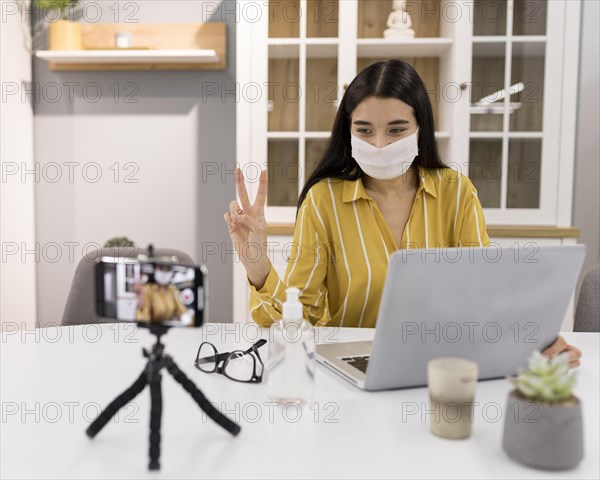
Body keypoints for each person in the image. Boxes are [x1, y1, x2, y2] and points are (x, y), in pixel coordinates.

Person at [224, 59, 582, 368]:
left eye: (396, 130)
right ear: (348, 133)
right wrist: (258, 268)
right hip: (352, 365)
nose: (380, 144)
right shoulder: (324, 200)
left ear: (420, 128)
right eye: (364, 130)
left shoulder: (456, 192)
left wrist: (532, 342)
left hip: (443, 363)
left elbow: (483, 298)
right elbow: (298, 319)